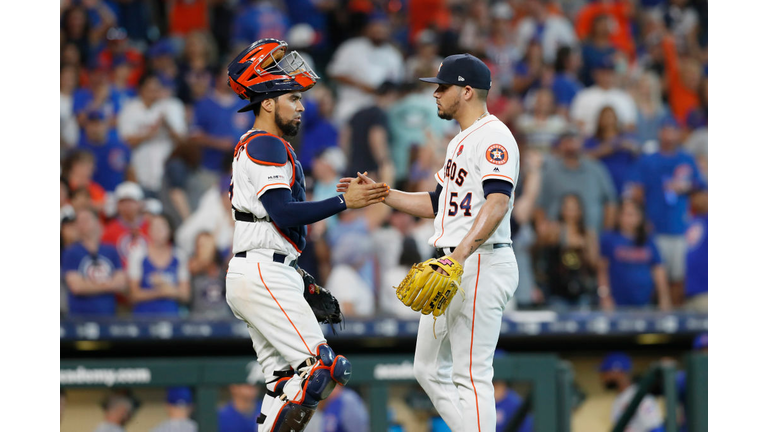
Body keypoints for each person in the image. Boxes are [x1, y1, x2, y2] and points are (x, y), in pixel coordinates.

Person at [339, 53, 520, 432]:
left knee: (470, 375)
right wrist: (382, 194)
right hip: (454, 262)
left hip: (480, 261)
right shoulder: (458, 141)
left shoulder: (493, 136)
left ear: (467, 91)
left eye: (443, 86)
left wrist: (459, 255)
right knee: (425, 368)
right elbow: (438, 203)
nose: (435, 94)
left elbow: (498, 201)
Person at [224, 39, 389, 431]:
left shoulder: (266, 144)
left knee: (284, 383)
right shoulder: (266, 144)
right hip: (263, 271)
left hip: (264, 267)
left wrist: (296, 276)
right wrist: (343, 202)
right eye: (293, 97)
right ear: (268, 102)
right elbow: (282, 211)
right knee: (324, 368)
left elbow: (273, 224)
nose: (301, 106)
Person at [629, 116, 705, 306]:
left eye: (673, 130)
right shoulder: (648, 160)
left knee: (679, 279)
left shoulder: (686, 159)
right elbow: (636, 192)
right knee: (657, 278)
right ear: (659, 132)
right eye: (666, 130)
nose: (669, 134)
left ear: (679, 133)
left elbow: (700, 189)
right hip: (655, 228)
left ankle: (677, 319)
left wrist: (685, 188)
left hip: (681, 228)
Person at [326, 12, 405, 125]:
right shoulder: (351, 47)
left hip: (381, 106)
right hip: (351, 103)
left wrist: (386, 95)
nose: (379, 32)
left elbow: (397, 84)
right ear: (367, 28)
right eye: (375, 28)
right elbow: (334, 72)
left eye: (382, 28)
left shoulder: (393, 54)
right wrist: (363, 86)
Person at [117, 72, 187, 195]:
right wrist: (150, 133)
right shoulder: (130, 108)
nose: (154, 92)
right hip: (140, 170)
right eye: (150, 89)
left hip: (166, 172)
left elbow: (183, 141)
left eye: (156, 89)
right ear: (141, 89)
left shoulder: (171, 106)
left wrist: (167, 125)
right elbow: (125, 140)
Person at [536, 128, 617, 232]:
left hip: (593, 234)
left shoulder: (596, 169)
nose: (570, 146)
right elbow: (539, 206)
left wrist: (607, 233)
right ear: (560, 145)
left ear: (581, 143)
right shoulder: (550, 172)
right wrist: (542, 230)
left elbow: (610, 202)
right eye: (566, 141)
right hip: (556, 238)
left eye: (574, 141)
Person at [598, 199, 672, 311]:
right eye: (625, 214)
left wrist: (664, 298)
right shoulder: (609, 239)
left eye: (633, 214)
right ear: (619, 216)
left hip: (645, 304)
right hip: (617, 304)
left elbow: (658, 269)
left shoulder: (648, 241)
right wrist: (604, 296)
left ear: (640, 217)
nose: (629, 219)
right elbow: (602, 270)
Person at [537, 194, 599, 309]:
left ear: (580, 211)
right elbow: (541, 244)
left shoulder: (588, 233)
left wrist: (584, 246)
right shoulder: (554, 230)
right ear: (562, 210)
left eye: (574, 208)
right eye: (568, 208)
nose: (571, 213)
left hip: (582, 290)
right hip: (557, 291)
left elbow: (594, 263)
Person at [62, 209, 127, 316]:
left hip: (108, 314)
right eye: (79, 221)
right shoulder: (71, 252)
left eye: (86, 219)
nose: (82, 224)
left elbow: (121, 283)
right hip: (79, 317)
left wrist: (89, 284)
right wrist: (109, 284)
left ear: (97, 222)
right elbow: (77, 287)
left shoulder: (110, 250)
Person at [128, 214, 190, 316]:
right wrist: (161, 292)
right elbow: (133, 294)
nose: (157, 231)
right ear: (148, 230)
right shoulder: (138, 255)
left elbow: (185, 295)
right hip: (143, 317)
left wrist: (168, 288)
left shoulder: (179, 256)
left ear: (170, 230)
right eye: (154, 227)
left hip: (171, 316)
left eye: (161, 227)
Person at [570, 57, 637, 136]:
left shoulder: (624, 97)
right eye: (603, 73)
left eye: (609, 73)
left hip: (618, 142)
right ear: (595, 74)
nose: (606, 77)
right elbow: (576, 122)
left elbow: (631, 125)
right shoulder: (584, 95)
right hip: (590, 141)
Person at [583, 106, 640, 197]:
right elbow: (584, 157)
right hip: (600, 185)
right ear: (599, 120)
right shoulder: (592, 140)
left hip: (623, 185)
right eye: (605, 117)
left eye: (611, 116)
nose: (608, 120)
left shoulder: (626, 137)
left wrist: (630, 146)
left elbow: (639, 152)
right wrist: (607, 149)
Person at [600, 352, 664, 432]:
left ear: (617, 372)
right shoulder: (620, 399)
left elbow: (656, 428)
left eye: (605, 372)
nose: (603, 377)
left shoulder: (639, 396)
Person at [78, 110, 131, 192]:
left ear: (106, 125)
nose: (95, 128)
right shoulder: (79, 150)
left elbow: (129, 171)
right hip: (90, 196)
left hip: (116, 195)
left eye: (98, 124)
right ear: (86, 127)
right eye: (92, 124)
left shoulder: (119, 147)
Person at [102, 182, 150, 265]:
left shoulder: (151, 227)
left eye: (131, 201)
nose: (127, 205)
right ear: (117, 205)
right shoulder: (109, 231)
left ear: (140, 203)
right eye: (123, 202)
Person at [188, 231, 231, 318]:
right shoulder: (191, 264)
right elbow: (195, 267)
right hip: (198, 318)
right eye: (202, 245)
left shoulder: (221, 264)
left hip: (223, 318)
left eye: (208, 245)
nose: (206, 249)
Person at [684, 189, 707, 312]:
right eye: (694, 196)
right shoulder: (690, 220)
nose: (697, 199)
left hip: (706, 293)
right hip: (688, 294)